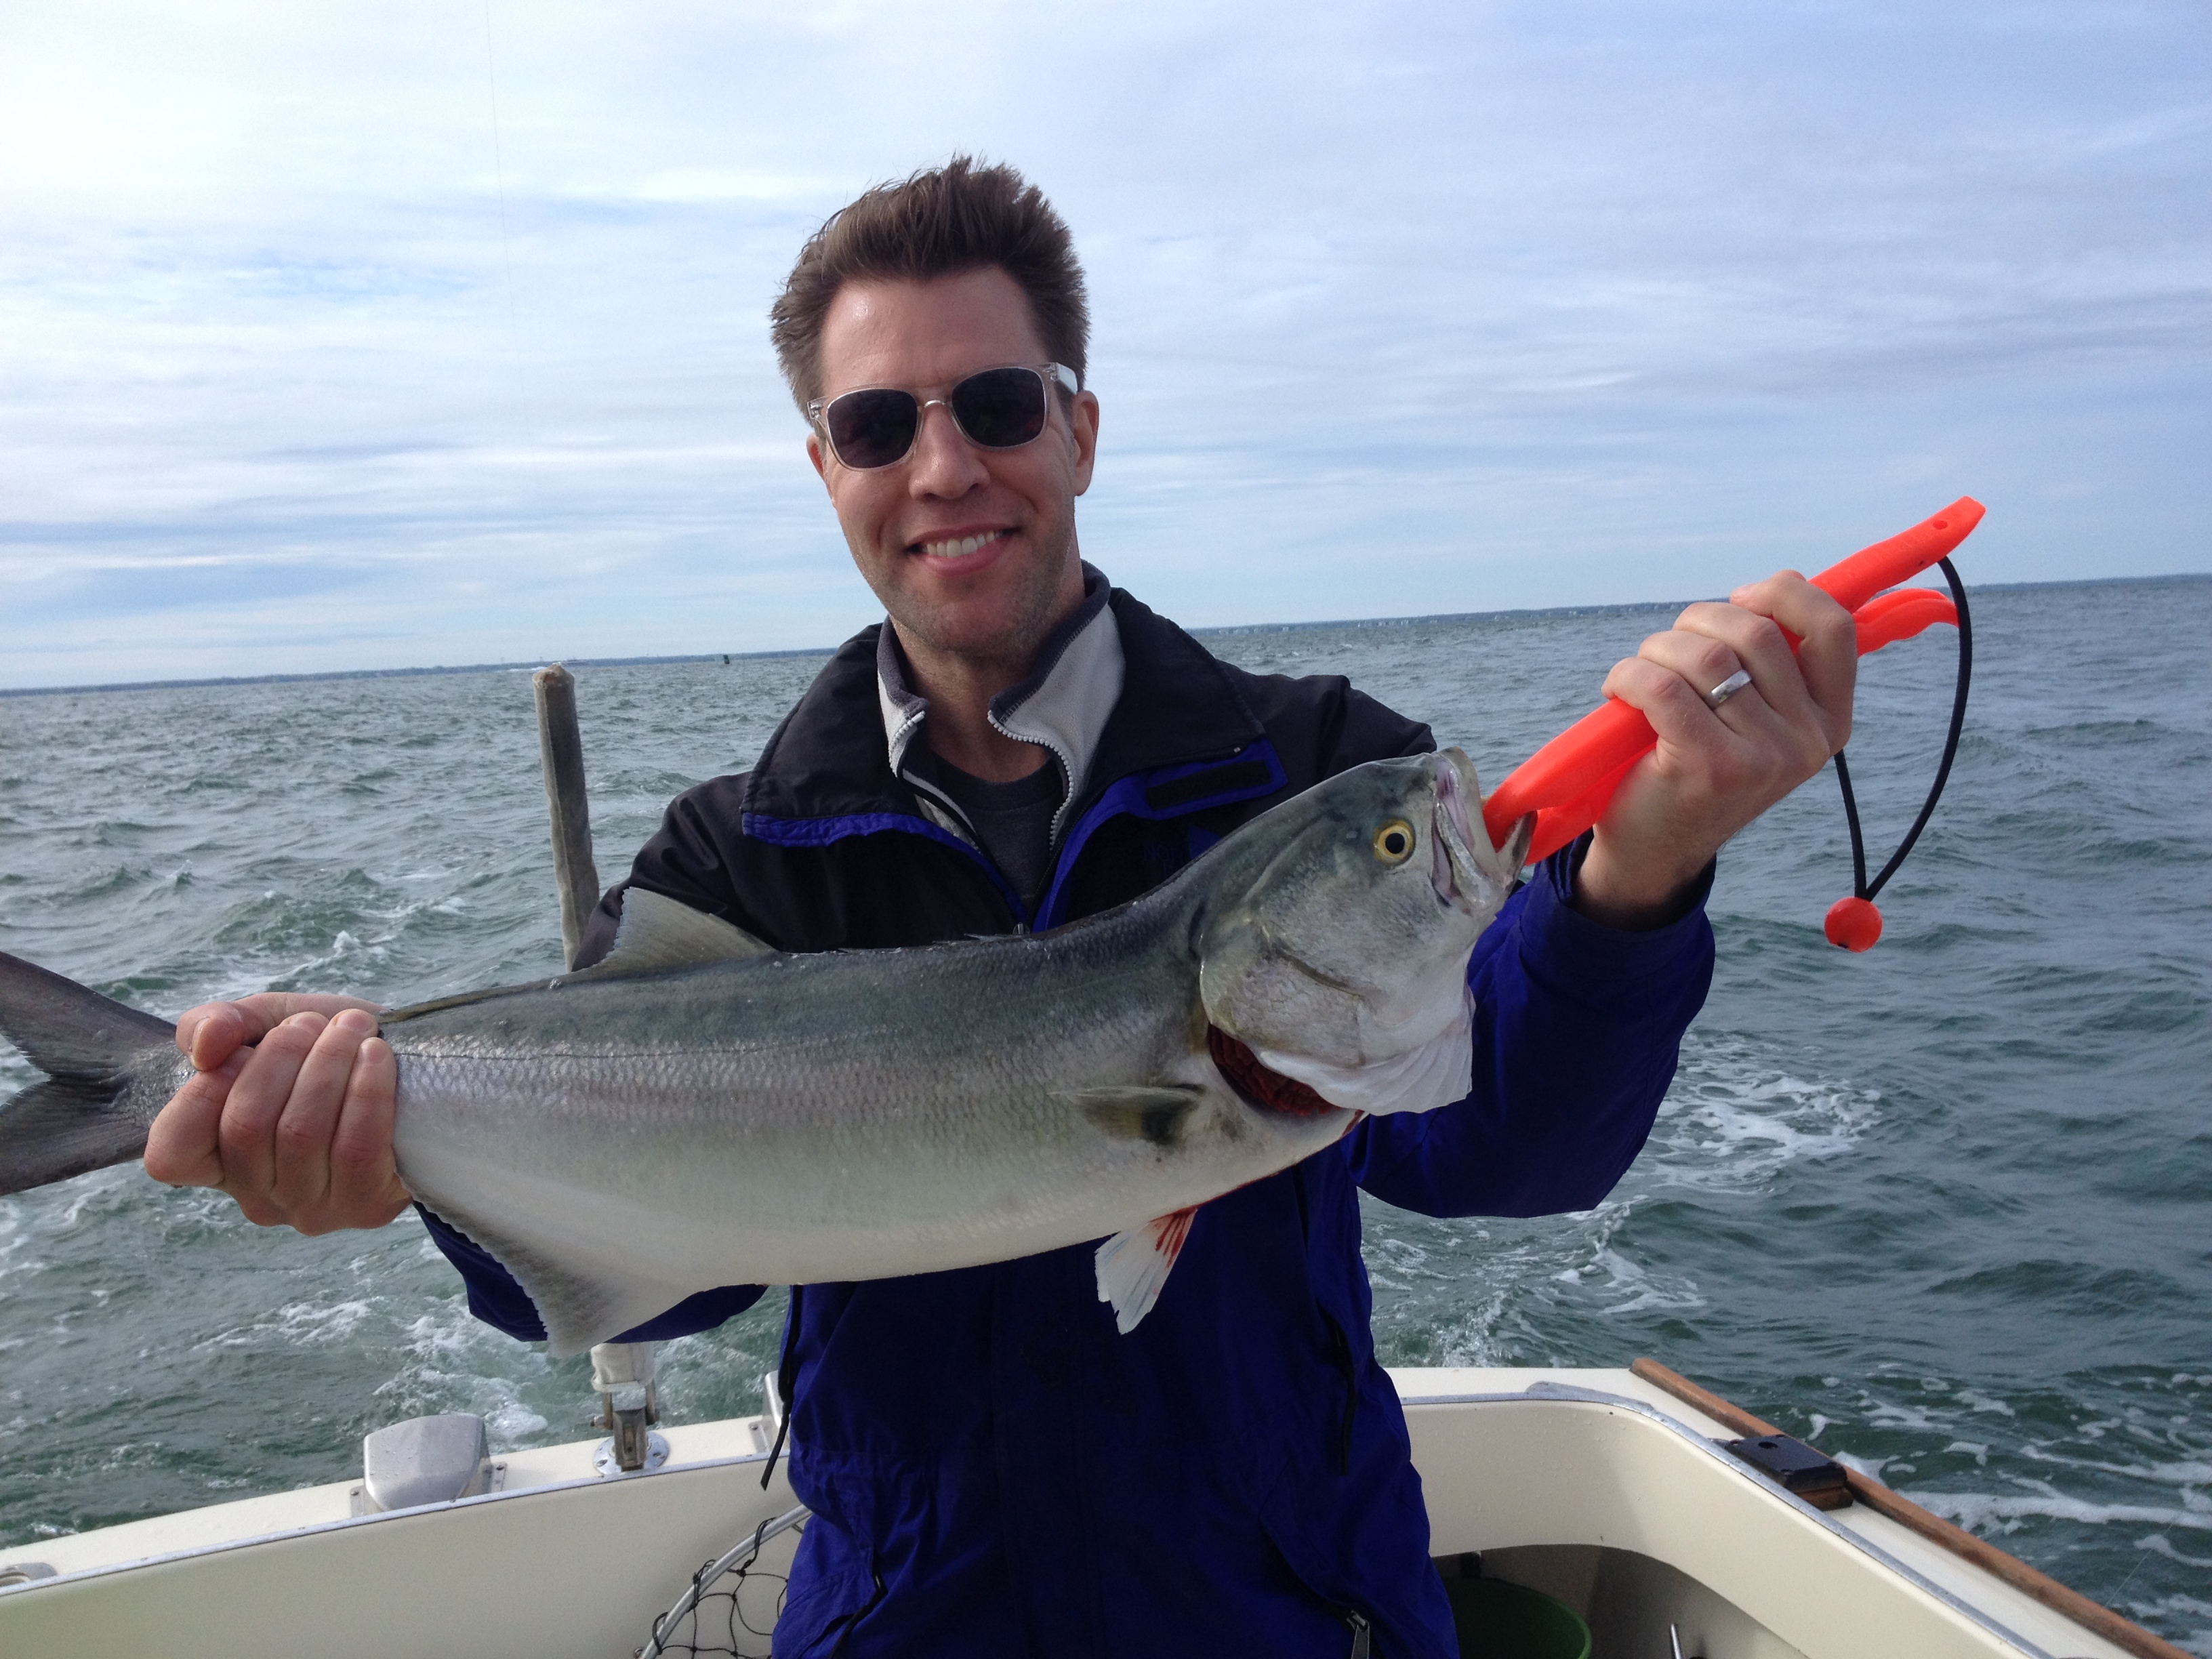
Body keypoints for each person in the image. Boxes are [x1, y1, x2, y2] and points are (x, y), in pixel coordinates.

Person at [144, 159, 1856, 1655]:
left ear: (1081, 427)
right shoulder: (737, 857)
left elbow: (1511, 1149)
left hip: (1286, 1618)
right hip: (909, 1622)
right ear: (827, 469)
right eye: (880, 426)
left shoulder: (1318, 771)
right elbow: (660, 1291)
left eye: (998, 404)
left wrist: (1636, 882)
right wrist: (401, 1156)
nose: (945, 465)